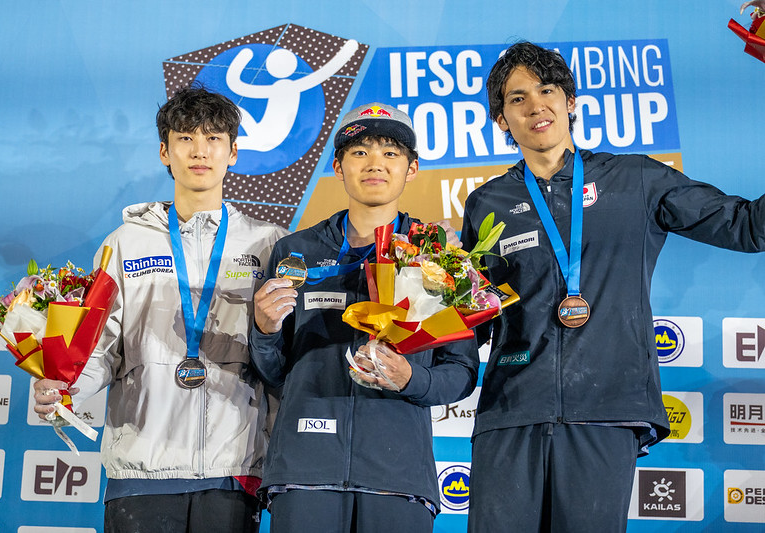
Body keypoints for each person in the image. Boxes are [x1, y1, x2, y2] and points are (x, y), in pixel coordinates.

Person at [460, 41, 765, 533]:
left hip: (606, 408)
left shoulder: (635, 178)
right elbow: (472, 318)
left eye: (547, 90)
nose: (536, 105)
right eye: (517, 98)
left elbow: (749, 227)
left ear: (570, 102)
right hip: (511, 411)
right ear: (502, 120)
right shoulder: (486, 202)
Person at [33, 86, 288, 533]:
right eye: (185, 138)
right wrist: (64, 387)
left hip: (232, 468)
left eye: (213, 139)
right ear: (164, 152)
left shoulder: (268, 243)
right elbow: (101, 349)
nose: (199, 151)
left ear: (233, 153)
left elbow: (282, 357)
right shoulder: (123, 243)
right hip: (141, 468)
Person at [249, 102, 479, 533]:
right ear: (338, 167)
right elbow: (274, 372)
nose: (375, 163)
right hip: (305, 469)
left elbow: (462, 372)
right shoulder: (295, 251)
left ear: (412, 168)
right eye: (360, 152)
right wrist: (264, 330)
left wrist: (410, 378)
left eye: (390, 152)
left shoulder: (438, 255)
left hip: (398, 475)